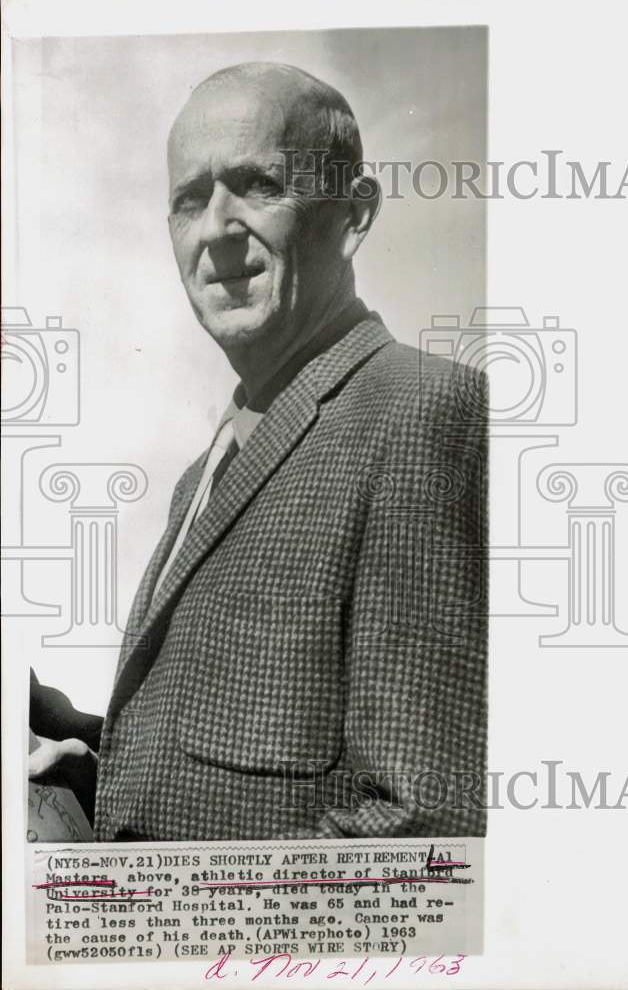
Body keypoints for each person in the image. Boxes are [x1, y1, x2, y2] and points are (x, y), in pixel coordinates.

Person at [29, 62, 487, 841]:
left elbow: (425, 830)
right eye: (188, 199)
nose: (215, 228)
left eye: (257, 185)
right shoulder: (204, 472)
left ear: (355, 212)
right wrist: (89, 778)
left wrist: (124, 917)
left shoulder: (424, 412)